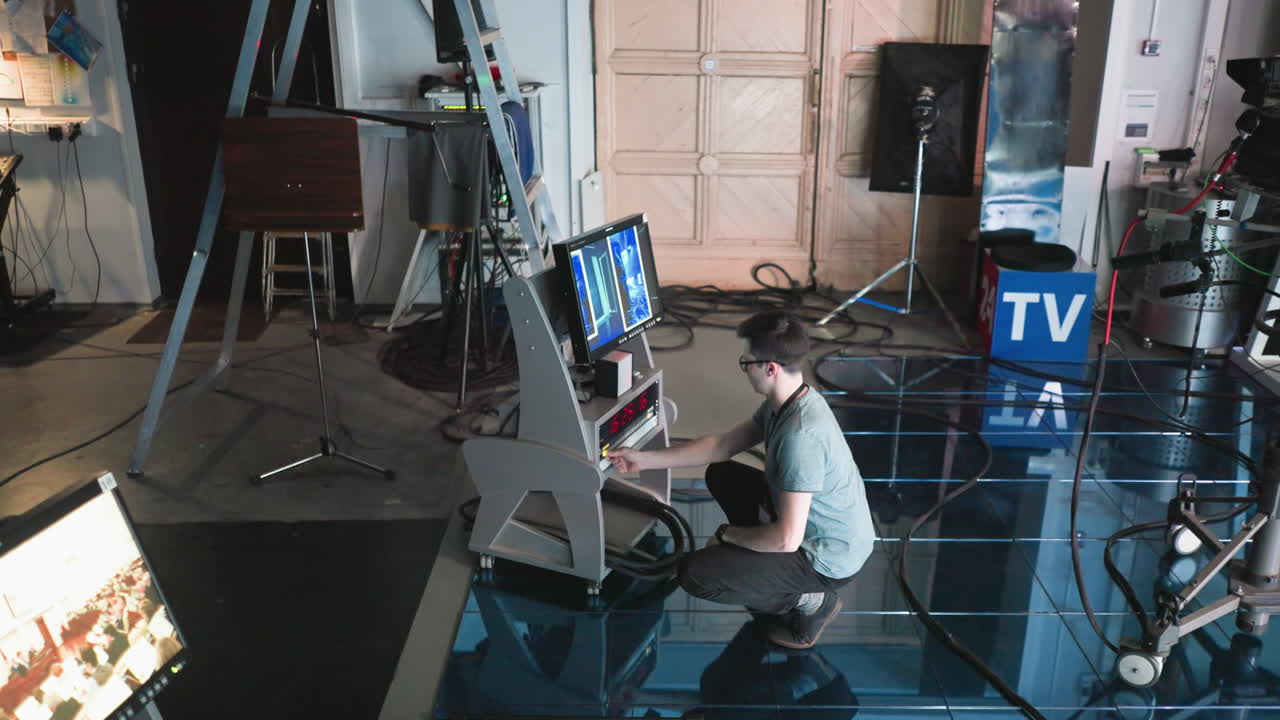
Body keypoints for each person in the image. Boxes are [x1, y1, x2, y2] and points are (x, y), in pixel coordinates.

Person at [608, 310, 876, 649]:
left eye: (746, 362)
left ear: (770, 368)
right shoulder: (790, 400)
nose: (744, 368)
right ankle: (760, 572)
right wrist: (643, 459)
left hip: (827, 558)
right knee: (722, 473)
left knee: (696, 575)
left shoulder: (801, 436)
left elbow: (786, 540)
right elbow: (721, 446)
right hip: (811, 529)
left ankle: (813, 602)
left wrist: (727, 535)